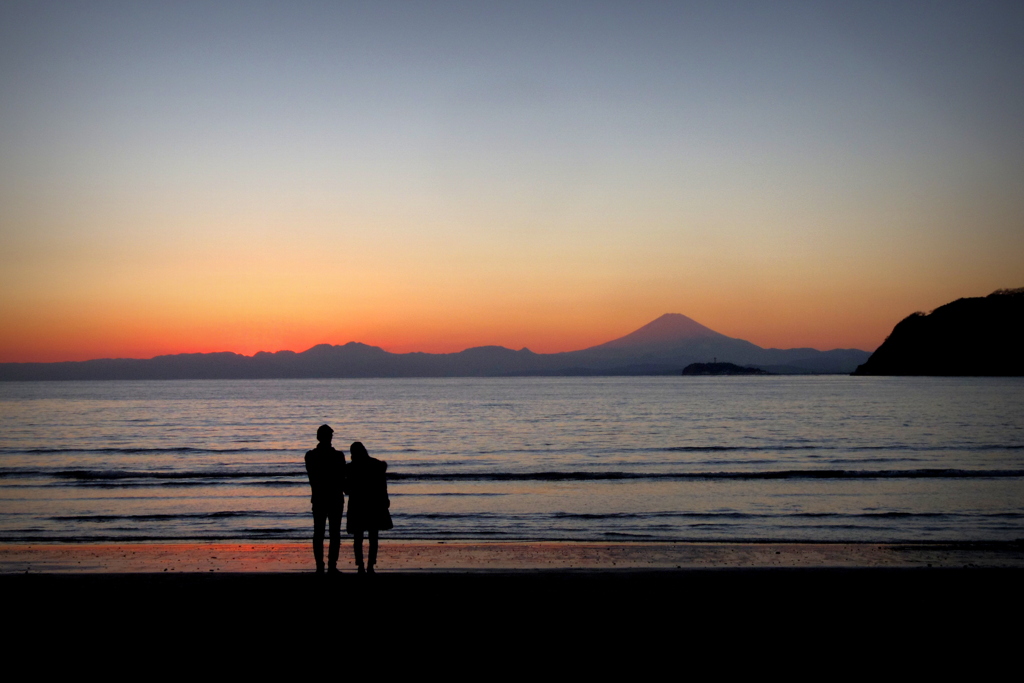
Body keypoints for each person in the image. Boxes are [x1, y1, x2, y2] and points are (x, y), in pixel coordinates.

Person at [304, 424, 346, 574]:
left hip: (320, 497)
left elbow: (313, 477)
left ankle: (321, 566)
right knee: (333, 533)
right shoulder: (337, 456)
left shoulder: (311, 456)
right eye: (330, 436)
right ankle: (329, 566)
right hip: (333, 497)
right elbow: (342, 478)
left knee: (320, 533)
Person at [346, 441, 393, 574]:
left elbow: (347, 489)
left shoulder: (350, 468)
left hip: (357, 504)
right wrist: (385, 499)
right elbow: (382, 486)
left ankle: (360, 565)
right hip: (373, 504)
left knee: (358, 537)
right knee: (373, 536)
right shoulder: (376, 465)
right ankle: (370, 565)